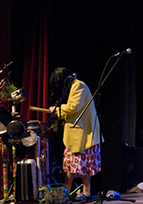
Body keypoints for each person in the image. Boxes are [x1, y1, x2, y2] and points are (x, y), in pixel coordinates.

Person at [48, 67, 102, 201]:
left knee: (81, 166)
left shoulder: (78, 86)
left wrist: (56, 110)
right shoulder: (75, 87)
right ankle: (70, 194)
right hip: (80, 133)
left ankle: (82, 194)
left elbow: (74, 107)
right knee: (71, 166)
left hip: (84, 133)